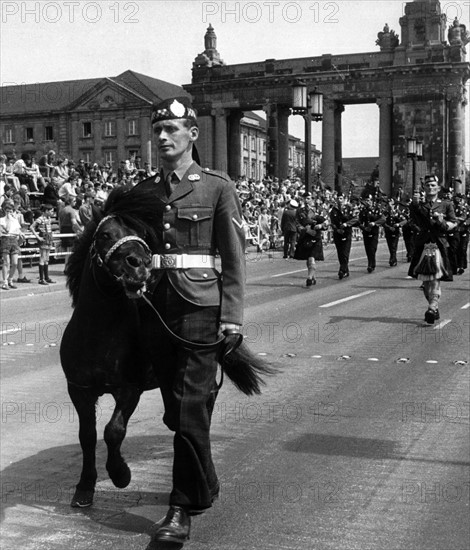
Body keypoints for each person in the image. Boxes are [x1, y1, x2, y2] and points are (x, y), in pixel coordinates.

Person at [135, 96, 246, 545]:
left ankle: (180, 507)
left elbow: (234, 259)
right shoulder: (145, 190)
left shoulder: (216, 186)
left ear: (193, 136)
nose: (162, 136)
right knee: (175, 410)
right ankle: (205, 482)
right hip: (155, 308)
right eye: (157, 129)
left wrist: (233, 319)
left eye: (172, 130)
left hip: (201, 306)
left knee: (187, 406)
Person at [408, 174, 457, 324]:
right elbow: (414, 221)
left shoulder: (446, 204)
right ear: (424, 188)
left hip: (438, 243)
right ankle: (433, 308)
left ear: (438, 188)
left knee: (435, 278)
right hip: (423, 244)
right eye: (428, 185)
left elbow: (453, 223)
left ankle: (432, 306)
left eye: (433, 186)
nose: (430, 188)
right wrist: (414, 205)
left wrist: (441, 222)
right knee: (425, 281)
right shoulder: (419, 205)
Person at [294, 195, 327, 286]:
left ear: (312, 199)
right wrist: (305, 230)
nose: (306, 200)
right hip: (305, 236)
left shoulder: (319, 209)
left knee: (312, 258)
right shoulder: (300, 211)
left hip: (315, 236)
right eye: (304, 198)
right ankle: (313, 276)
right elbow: (297, 223)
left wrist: (321, 226)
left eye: (308, 198)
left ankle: (309, 278)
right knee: (308, 258)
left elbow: (327, 221)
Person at [329, 193, 358, 279]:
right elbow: (332, 222)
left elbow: (355, 219)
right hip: (338, 233)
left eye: (341, 198)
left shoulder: (349, 208)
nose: (339, 200)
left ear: (344, 199)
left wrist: (346, 224)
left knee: (345, 252)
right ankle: (346, 270)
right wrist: (336, 229)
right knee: (340, 253)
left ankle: (342, 270)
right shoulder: (333, 210)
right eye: (338, 198)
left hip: (346, 232)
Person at [0, 200, 25, 289]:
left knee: (14, 263)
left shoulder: (15, 220)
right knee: (6, 262)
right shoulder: (1, 220)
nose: (9, 212)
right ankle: (5, 282)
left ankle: (10, 279)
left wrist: (21, 234)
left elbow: (18, 230)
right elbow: (6, 230)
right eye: (7, 211)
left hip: (14, 240)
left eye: (10, 211)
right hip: (5, 240)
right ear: (4, 211)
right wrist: (7, 218)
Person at [30, 203, 56, 285]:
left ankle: (46, 277)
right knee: (42, 257)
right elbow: (31, 227)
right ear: (46, 211)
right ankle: (41, 279)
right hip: (43, 238)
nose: (52, 213)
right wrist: (38, 237)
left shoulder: (48, 219)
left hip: (48, 238)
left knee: (47, 258)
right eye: (51, 211)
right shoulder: (40, 219)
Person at [358, 196, 386, 272]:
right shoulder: (363, 211)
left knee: (372, 248)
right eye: (366, 200)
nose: (368, 202)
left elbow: (383, 219)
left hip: (374, 232)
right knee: (367, 249)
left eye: (369, 200)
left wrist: (375, 223)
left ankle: (372, 263)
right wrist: (364, 228)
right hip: (366, 232)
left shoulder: (376, 210)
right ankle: (370, 264)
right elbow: (359, 222)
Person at [383, 199, 407, 266]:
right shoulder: (385, 213)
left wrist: (398, 224)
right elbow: (382, 222)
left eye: (392, 204)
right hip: (388, 231)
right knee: (390, 246)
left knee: (394, 246)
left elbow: (404, 221)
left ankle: (392, 259)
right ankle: (393, 258)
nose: (390, 205)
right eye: (389, 204)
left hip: (395, 231)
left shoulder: (397, 212)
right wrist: (388, 227)